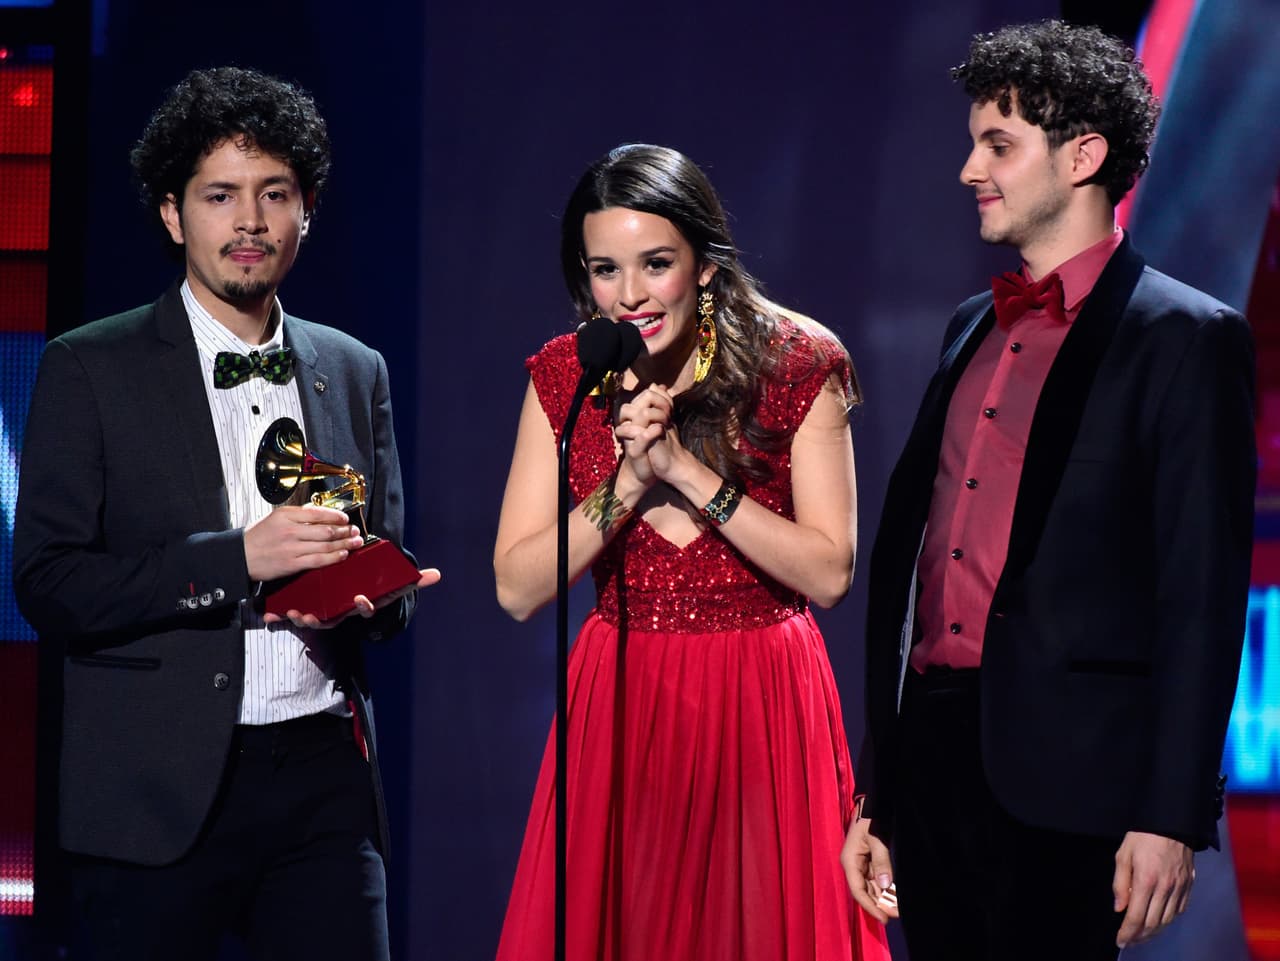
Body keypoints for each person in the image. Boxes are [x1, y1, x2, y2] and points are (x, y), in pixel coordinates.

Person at [843, 20, 1255, 961]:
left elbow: (1199, 593)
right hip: (934, 761)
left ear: (1084, 155)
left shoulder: (1186, 338)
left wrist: (1172, 812)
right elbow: (915, 573)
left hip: (1070, 779)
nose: (968, 171)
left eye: (998, 144)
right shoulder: (965, 328)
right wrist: (881, 788)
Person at [13, 66, 438, 961]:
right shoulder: (90, 368)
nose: (248, 221)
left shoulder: (354, 367)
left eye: (273, 193)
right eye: (220, 195)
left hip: (323, 779)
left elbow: (387, 562)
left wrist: (373, 595)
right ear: (173, 214)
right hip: (153, 792)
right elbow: (50, 585)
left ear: (306, 210)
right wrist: (239, 558)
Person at [492, 143, 890, 961]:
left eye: (656, 263)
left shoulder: (800, 360)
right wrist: (629, 485)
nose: (629, 294)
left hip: (764, 696)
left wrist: (683, 469)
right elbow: (516, 584)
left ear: (705, 265)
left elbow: (829, 570)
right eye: (606, 269)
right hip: (622, 694)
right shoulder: (568, 373)